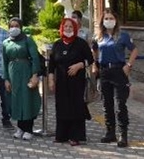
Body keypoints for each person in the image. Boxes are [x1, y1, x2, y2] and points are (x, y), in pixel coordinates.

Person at [92, 9, 138, 148]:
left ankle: (123, 135)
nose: (109, 21)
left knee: (120, 104)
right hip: (105, 71)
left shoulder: (122, 36)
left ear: (116, 20)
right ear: (102, 21)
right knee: (107, 104)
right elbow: (93, 50)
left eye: (111, 18)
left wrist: (128, 65)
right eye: (106, 18)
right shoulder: (99, 36)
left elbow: (134, 50)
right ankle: (110, 132)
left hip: (119, 71)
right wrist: (95, 65)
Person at [48, 18, 94, 146]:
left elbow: (90, 59)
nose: (68, 29)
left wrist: (79, 65)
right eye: (66, 26)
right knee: (62, 106)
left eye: (71, 27)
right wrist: (51, 80)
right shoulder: (57, 45)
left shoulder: (81, 43)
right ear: (62, 28)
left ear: (75, 29)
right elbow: (51, 65)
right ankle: (61, 135)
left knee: (75, 107)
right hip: (61, 82)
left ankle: (76, 136)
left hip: (77, 83)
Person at [2, 17, 41, 141]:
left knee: (27, 99)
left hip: (26, 72)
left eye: (16, 26)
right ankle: (20, 128)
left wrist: (35, 75)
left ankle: (28, 128)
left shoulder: (27, 40)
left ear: (21, 27)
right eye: (11, 26)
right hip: (12, 73)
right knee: (16, 99)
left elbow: (35, 57)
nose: (14, 28)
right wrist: (6, 79)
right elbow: (4, 61)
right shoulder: (6, 43)